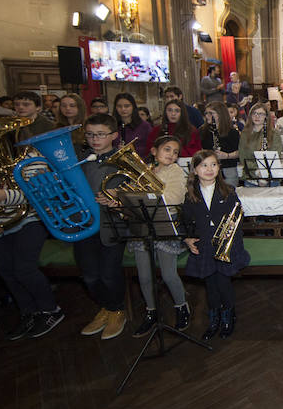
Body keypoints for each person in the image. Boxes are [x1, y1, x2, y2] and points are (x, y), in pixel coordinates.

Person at [0, 134, 65, 341]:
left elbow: (42, 192)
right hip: (0, 223)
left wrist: (5, 196)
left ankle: (51, 310)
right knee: (6, 270)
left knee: (24, 269)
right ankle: (29, 312)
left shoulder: (32, 157)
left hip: (31, 219)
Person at [73, 113, 130, 340]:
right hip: (83, 225)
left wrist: (119, 197)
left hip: (112, 225)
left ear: (114, 136)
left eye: (100, 135)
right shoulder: (79, 161)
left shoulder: (123, 160)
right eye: (90, 134)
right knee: (89, 276)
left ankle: (116, 310)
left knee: (108, 274)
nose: (94, 139)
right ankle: (105, 307)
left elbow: (136, 191)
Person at [182, 150, 249, 340]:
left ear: (219, 168)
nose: (209, 169)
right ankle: (214, 317)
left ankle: (228, 313)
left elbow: (237, 221)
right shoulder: (190, 195)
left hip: (226, 245)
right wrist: (187, 239)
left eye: (213, 164)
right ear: (195, 170)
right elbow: (185, 222)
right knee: (210, 284)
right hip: (204, 245)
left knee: (222, 281)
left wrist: (228, 243)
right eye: (204, 165)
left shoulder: (228, 191)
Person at [130, 136, 191, 337]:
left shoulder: (175, 171)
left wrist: (148, 191)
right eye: (167, 149)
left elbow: (175, 197)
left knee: (168, 274)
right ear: (154, 150)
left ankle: (181, 306)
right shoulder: (143, 169)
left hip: (166, 225)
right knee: (145, 276)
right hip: (142, 227)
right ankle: (151, 312)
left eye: (175, 152)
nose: (172, 155)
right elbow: (131, 198)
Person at [238, 102, 283, 184]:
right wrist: (257, 171)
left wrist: (264, 172)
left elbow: (276, 154)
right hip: (251, 178)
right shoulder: (245, 133)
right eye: (254, 113)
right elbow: (243, 157)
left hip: (271, 178)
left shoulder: (274, 134)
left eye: (261, 114)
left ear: (266, 116)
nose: (257, 116)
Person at [201, 101, 241, 187]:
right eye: (206, 113)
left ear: (220, 114)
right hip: (209, 170)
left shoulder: (232, 132)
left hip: (228, 170)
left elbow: (240, 152)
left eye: (211, 113)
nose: (207, 116)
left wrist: (226, 155)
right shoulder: (203, 131)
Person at [113, 92, 152, 158]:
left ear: (133, 107)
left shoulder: (145, 126)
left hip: (140, 162)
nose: (123, 109)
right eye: (119, 106)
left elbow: (150, 147)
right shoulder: (112, 126)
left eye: (127, 106)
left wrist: (131, 150)